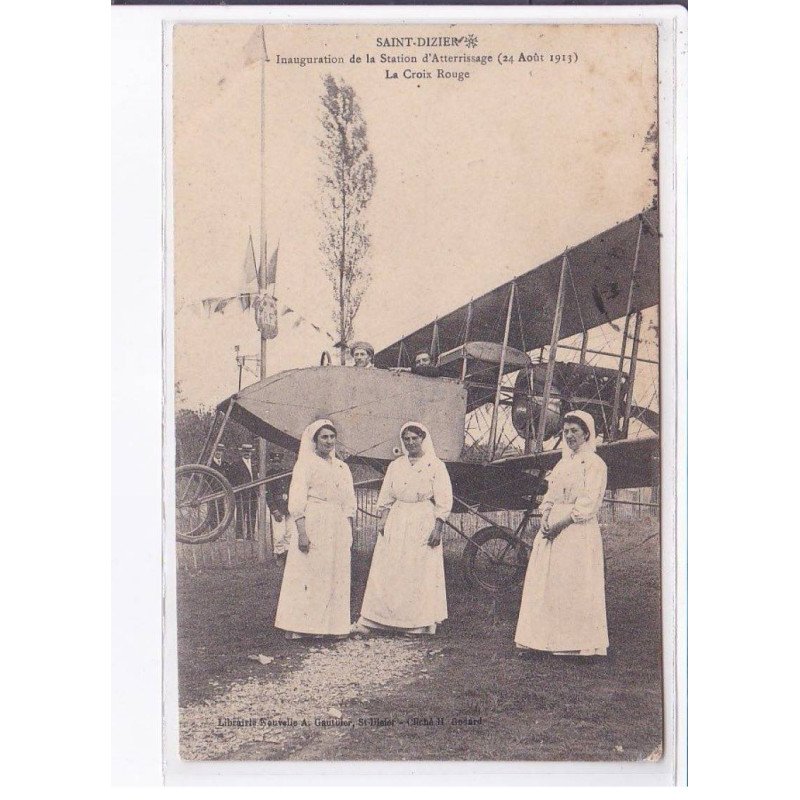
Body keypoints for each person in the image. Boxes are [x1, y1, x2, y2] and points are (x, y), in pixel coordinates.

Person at [514, 410, 609, 657]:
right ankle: (544, 640)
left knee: (572, 582)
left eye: (574, 431)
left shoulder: (595, 464)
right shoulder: (563, 462)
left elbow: (589, 502)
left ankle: (574, 643)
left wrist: (560, 524)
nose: (569, 436)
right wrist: (545, 517)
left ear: (587, 433)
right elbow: (550, 496)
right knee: (548, 584)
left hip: (575, 530)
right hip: (552, 529)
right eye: (565, 431)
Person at [354, 422, 453, 636]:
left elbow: (444, 500)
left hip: (422, 518)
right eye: (406, 439)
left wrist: (438, 527)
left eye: (414, 438)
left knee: (417, 569)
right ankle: (378, 619)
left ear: (422, 439)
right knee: (389, 568)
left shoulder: (435, 466)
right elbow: (387, 495)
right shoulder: (396, 466)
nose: (410, 443)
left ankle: (417, 621)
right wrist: (382, 518)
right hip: (398, 517)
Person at [274, 420, 356, 639]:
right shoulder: (305, 464)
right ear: (315, 440)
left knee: (335, 572)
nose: (329, 442)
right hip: (314, 520)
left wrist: (349, 527)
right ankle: (305, 627)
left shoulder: (342, 467)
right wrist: (302, 531)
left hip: (337, 522)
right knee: (312, 573)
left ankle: (333, 627)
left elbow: (349, 500)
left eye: (332, 437)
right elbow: (297, 500)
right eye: (324, 437)